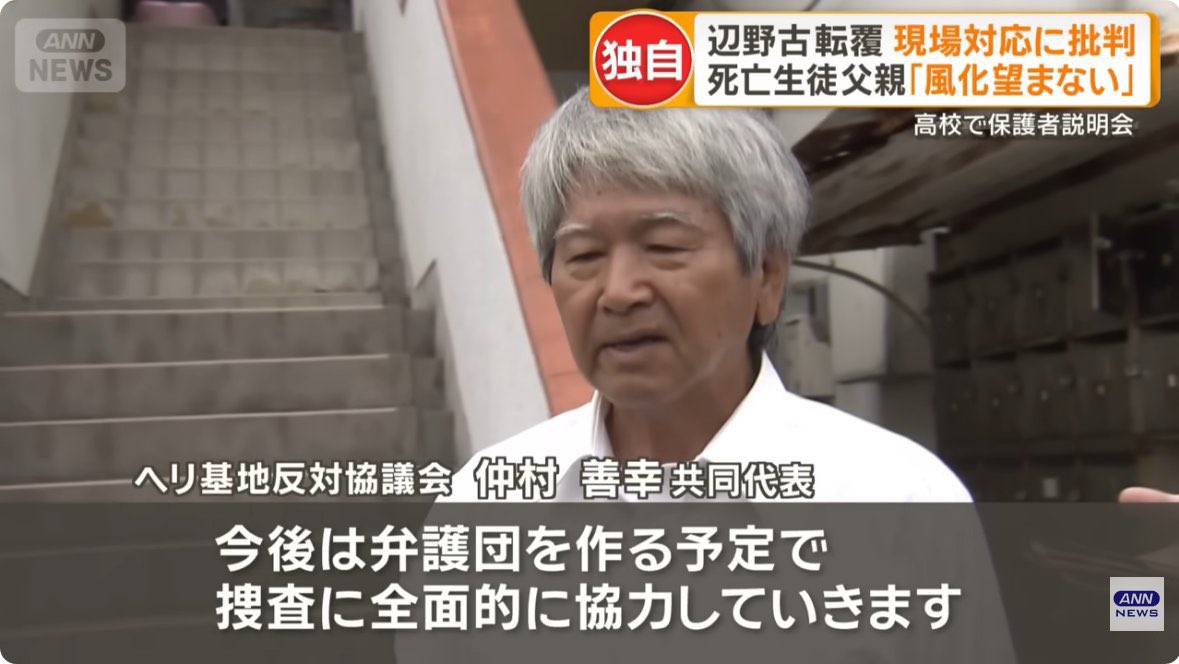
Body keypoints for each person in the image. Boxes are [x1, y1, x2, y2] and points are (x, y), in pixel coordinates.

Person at [442, 88, 974, 503]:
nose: (619, 293)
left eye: (665, 247)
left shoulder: (896, 497)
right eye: (584, 255)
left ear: (766, 277)